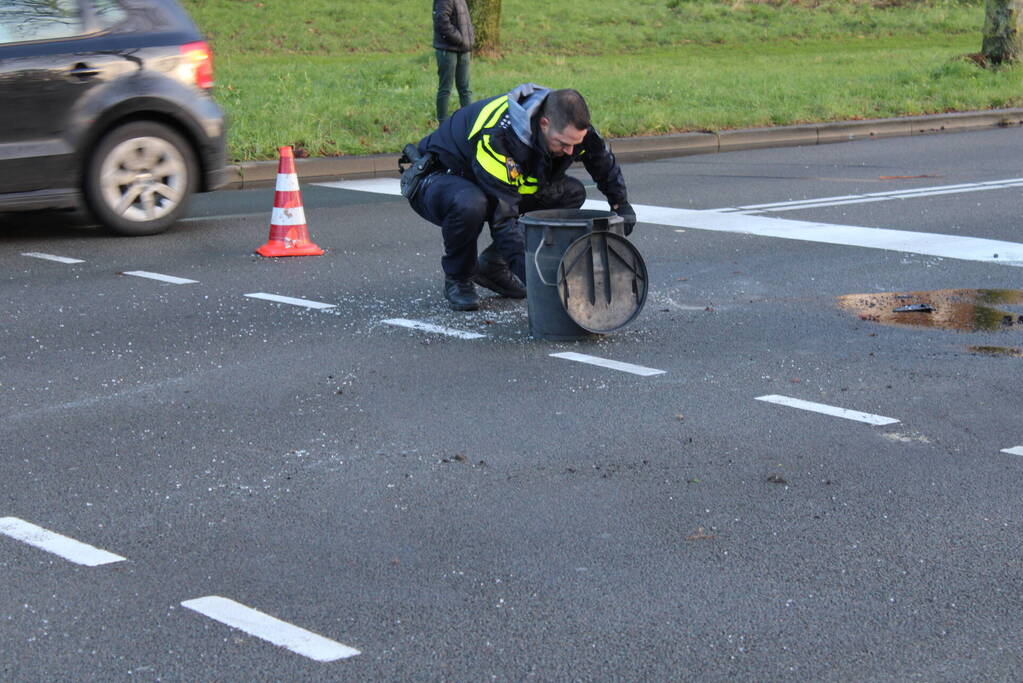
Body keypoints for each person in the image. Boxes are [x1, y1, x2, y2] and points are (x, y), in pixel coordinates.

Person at [404, 83, 636, 311]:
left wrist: (621, 204)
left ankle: (493, 266)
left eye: (575, 144)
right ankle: (459, 278)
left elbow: (601, 160)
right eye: (563, 144)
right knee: (471, 203)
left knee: (570, 194)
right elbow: (504, 219)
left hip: (489, 180)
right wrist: (536, 281)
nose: (570, 152)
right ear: (544, 124)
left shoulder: (568, 125)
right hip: (438, 180)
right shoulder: (499, 139)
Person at [432, 0, 474, 123]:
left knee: (465, 89)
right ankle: (443, 125)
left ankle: (469, 122)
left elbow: (464, 21)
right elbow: (441, 22)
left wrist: (468, 40)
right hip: (448, 50)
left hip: (463, 50)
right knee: (445, 89)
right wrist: (460, 39)